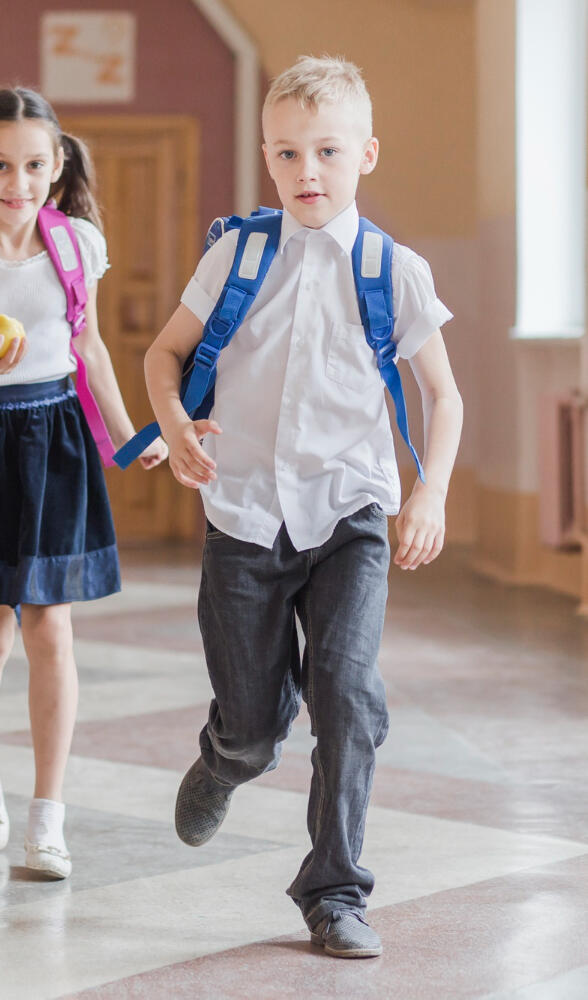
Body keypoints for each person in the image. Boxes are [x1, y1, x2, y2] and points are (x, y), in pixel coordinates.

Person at [141, 56, 464, 958]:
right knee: (253, 725)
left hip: (350, 515)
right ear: (267, 156)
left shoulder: (393, 269)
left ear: (366, 154)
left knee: (349, 698)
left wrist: (428, 489)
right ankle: (228, 758)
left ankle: (335, 892)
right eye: (287, 153)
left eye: (326, 150)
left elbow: (444, 395)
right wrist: (175, 424)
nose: (306, 171)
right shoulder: (236, 255)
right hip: (242, 516)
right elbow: (164, 357)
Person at [0, 87, 167, 880]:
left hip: (54, 439)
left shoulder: (79, 243)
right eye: (2, 165)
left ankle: (48, 818)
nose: (19, 181)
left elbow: (87, 347)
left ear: (58, 167)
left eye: (36, 165)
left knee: (52, 626)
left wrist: (126, 436)